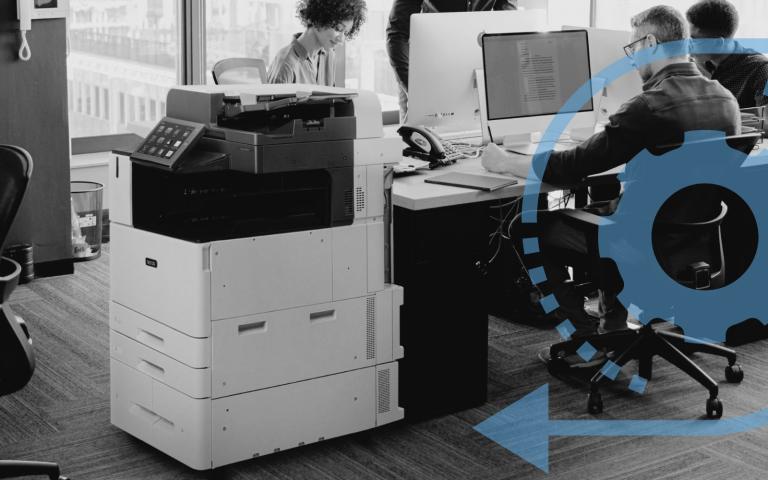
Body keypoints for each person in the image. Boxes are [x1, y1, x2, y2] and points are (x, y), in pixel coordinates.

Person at [481, 5, 741, 367]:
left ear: (651, 43)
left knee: (528, 226)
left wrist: (503, 161)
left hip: (641, 244)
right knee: (613, 205)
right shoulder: (726, 100)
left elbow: (568, 168)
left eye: (634, 49)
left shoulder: (647, 107)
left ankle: (588, 335)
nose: (633, 61)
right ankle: (612, 327)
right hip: (693, 241)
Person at [386, 0, 517, 120]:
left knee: (474, 137)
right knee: (421, 140)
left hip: (472, 66)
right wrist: (415, 91)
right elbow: (397, 34)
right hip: (424, 73)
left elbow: (509, 22)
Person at [686, 0, 768, 108]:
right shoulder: (690, 65)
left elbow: (765, 121)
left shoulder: (761, 70)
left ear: (717, 43)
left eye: (693, 40)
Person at [267, 0, 367, 86]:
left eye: (345, 33)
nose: (341, 40)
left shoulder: (329, 56)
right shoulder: (286, 65)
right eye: (338, 29)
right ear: (318, 19)